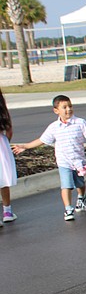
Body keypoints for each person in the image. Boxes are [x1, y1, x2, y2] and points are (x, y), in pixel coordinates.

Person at [12, 95, 86, 222]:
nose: (68, 109)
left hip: (79, 160)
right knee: (66, 185)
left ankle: (81, 196)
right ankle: (68, 209)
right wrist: (25, 146)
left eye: (70, 106)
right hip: (64, 162)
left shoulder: (80, 123)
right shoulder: (54, 127)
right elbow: (42, 140)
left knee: (80, 183)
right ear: (56, 110)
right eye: (64, 107)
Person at [0, 88, 18, 227]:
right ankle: (7, 211)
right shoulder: (2, 110)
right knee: (3, 178)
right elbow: (9, 130)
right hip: (1, 144)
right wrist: (5, 142)